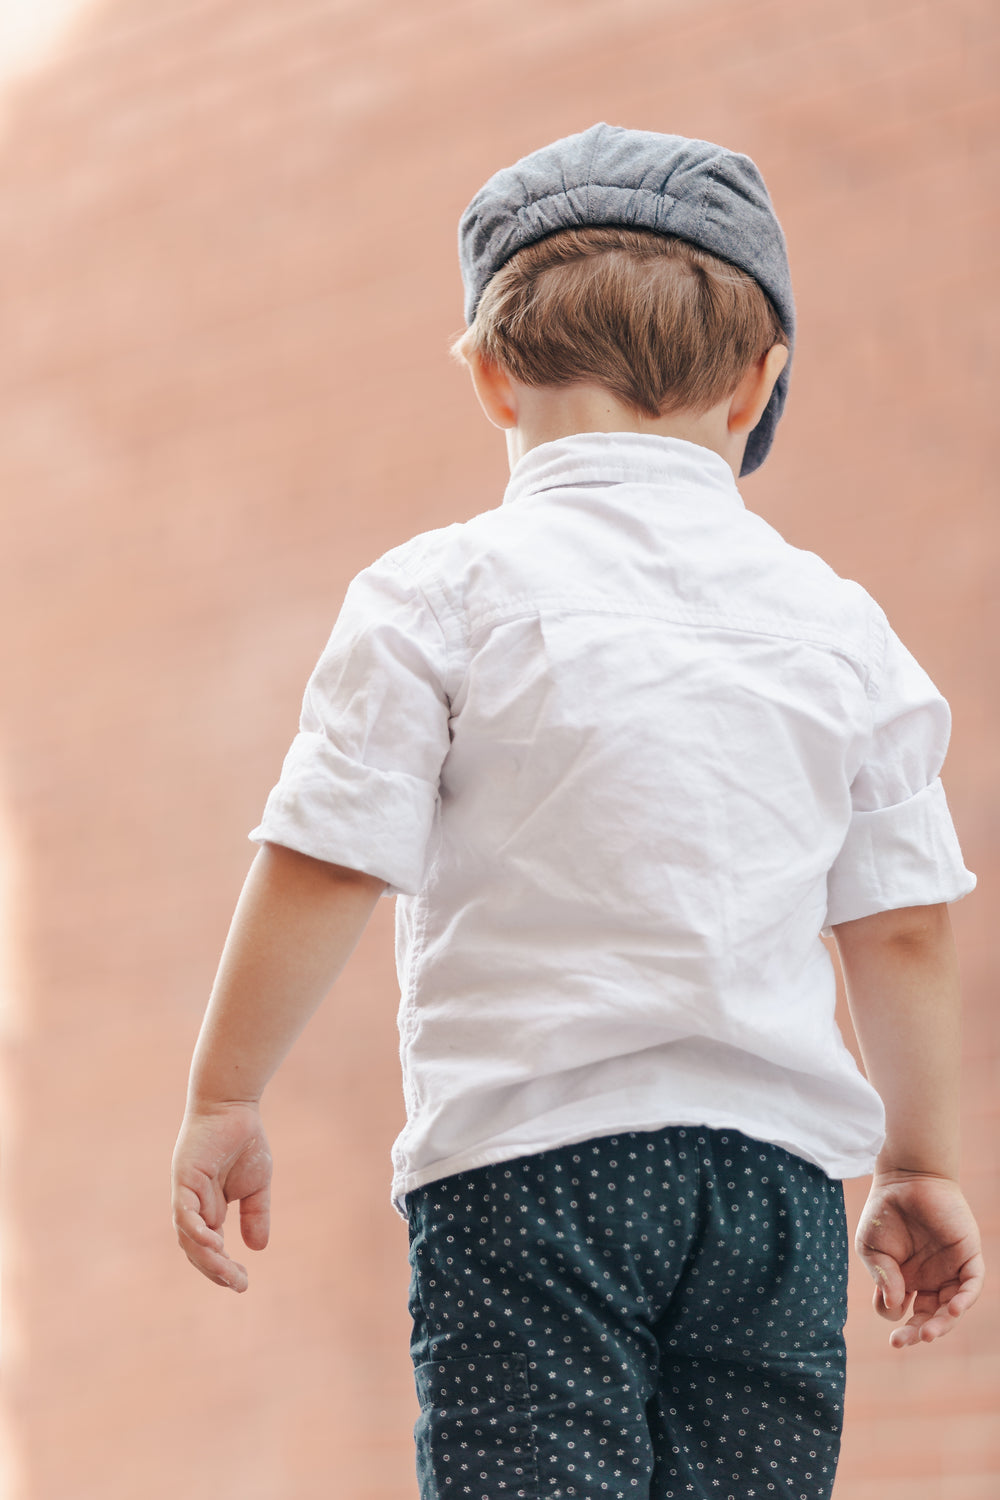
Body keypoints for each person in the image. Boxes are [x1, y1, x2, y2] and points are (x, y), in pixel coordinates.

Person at [172, 124, 984, 1499]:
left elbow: (324, 858)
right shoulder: (844, 631)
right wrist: (919, 1159)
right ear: (757, 385)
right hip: (776, 1197)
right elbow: (900, 929)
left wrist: (224, 1092)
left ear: (490, 376)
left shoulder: (438, 596)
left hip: (533, 1174)